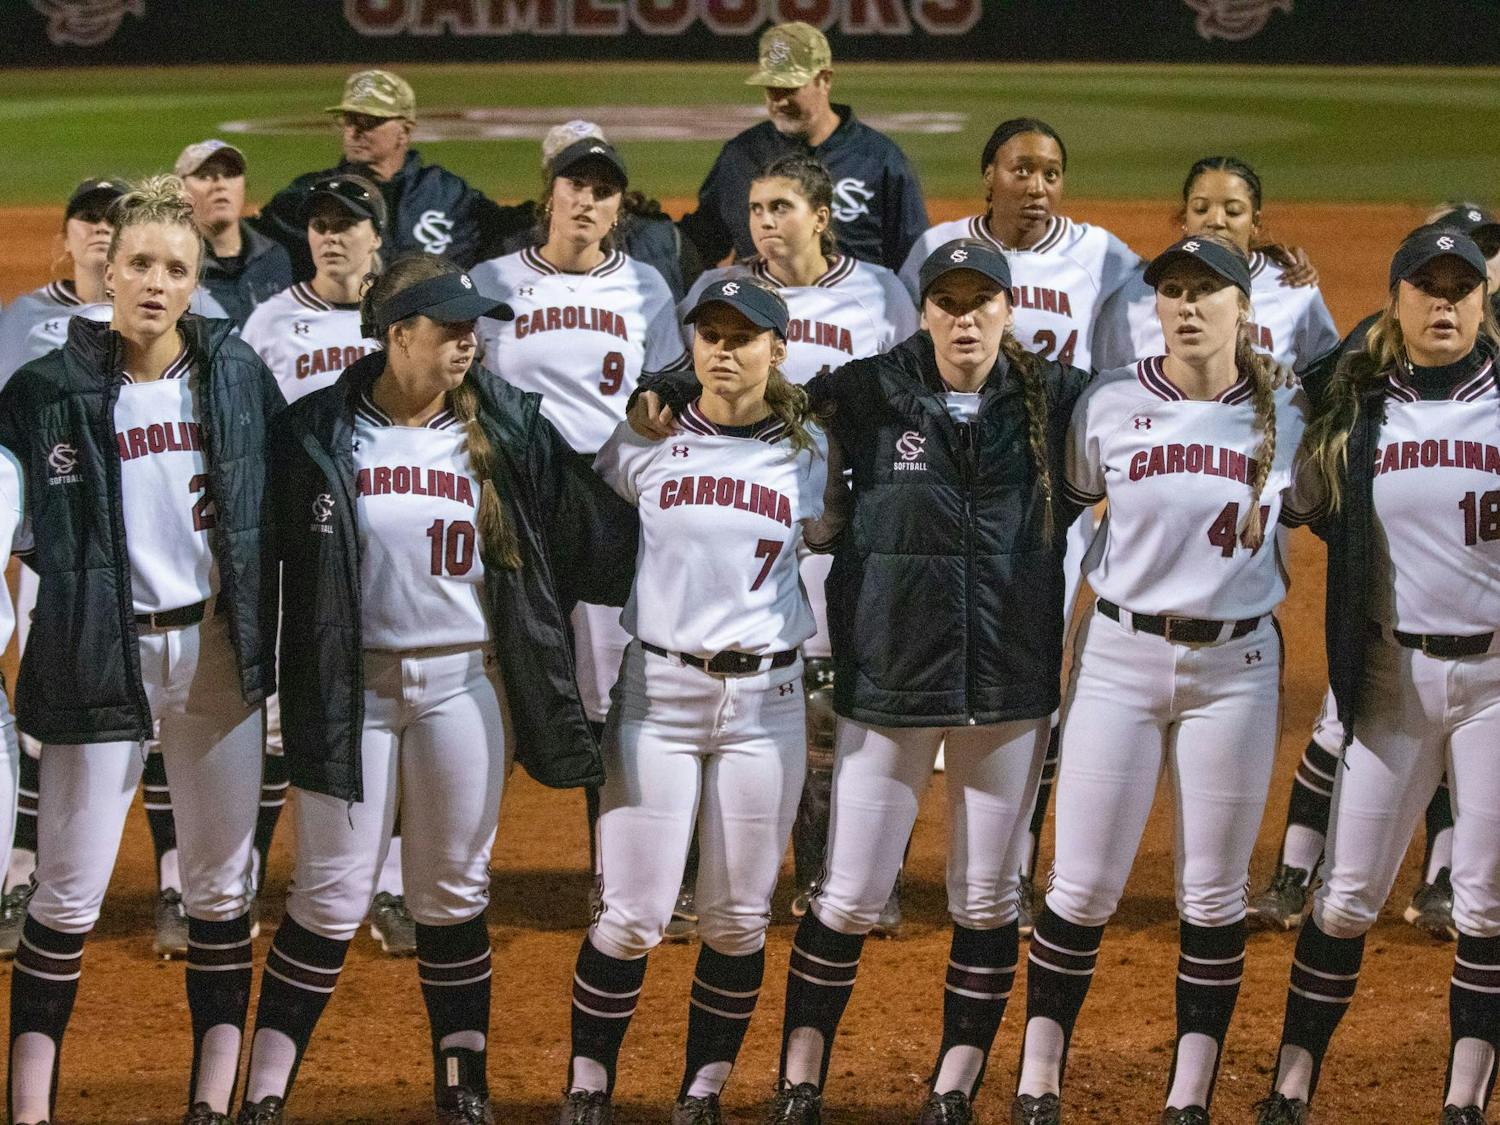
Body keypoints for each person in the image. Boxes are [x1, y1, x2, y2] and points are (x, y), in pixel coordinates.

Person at [635, 238, 1087, 1125]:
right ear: (923, 310)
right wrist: (667, 383)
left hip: (1010, 685)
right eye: (948, 302)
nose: (965, 319)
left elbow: (1174, 385)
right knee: (847, 892)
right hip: (892, 681)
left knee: (989, 898)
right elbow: (751, 383)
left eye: (981, 303)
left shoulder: (1054, 396)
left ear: (1009, 310)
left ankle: (954, 1083)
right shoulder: (869, 389)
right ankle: (801, 1077)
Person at [234, 253, 636, 1125]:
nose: (468, 340)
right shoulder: (312, 431)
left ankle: (463, 1088)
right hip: (351, 689)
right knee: (332, 895)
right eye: (449, 326)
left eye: (473, 326)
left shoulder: (510, 427)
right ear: (396, 333)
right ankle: (262, 1094)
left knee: (452, 892)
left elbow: (597, 530)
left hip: (463, 685)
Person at [1010, 235, 1316, 1125]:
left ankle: (1189, 1098)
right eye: (1171, 291)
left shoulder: (1288, 407)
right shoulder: (1108, 402)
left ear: (1243, 309)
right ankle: (1038, 1081)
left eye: (1206, 292)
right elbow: (1068, 510)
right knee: (1081, 884)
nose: (1185, 306)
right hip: (1118, 658)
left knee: (1215, 891)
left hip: (1238, 668)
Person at [0, 175, 282, 1125]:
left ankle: (211, 1104)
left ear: (197, 279)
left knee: (217, 885)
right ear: (106, 271)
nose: (156, 283)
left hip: (212, 654)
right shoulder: (43, 391)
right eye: (140, 265)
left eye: (176, 267)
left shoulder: (237, 373)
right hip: (97, 653)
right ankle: (30, 1108)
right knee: (68, 891)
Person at [558, 277, 830, 1125]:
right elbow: (585, 528)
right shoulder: (644, 439)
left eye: (743, 335)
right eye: (709, 332)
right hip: (658, 697)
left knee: (737, 918)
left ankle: (700, 1095)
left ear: (776, 349)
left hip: (769, 703)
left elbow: (837, 538)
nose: (723, 348)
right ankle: (587, 1087)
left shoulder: (811, 451)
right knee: (634, 915)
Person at [1254, 227, 1500, 1125]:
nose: (1444, 303)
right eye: (1425, 287)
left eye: (1461, 289)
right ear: (1393, 302)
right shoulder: (1355, 406)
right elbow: (1301, 484)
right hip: (1391, 681)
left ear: (1485, 301)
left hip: (1498, 688)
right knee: (1349, 893)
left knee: (1485, 904)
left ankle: (1464, 1102)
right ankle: (1290, 1086)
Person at [678, 153, 916, 936]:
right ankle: (705, 876)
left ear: (822, 215)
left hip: (856, 523)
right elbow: (682, 383)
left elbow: (907, 388)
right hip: (751, 522)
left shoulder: (880, 291)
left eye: (781, 206)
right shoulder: (726, 291)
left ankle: (828, 876)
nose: (764, 222)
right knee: (751, 693)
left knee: (841, 702)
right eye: (755, 208)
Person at [471, 135, 689, 922]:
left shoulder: (647, 287)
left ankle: (613, 875)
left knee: (605, 698)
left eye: (604, 189)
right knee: (484, 685)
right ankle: (447, 875)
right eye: (576, 184)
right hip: (513, 509)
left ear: (617, 205)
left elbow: (667, 388)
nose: (588, 200)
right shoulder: (492, 282)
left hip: (606, 508)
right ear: (550, 193)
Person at [677, 22, 928, 274]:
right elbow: (702, 241)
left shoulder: (878, 158)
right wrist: (651, 233)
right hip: (761, 306)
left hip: (854, 307)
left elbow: (914, 257)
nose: (780, 101)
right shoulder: (742, 155)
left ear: (824, 80)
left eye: (790, 88)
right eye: (771, 90)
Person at [252, 69, 532, 280]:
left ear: (405, 131)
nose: (354, 131)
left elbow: (512, 230)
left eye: (369, 121)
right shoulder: (313, 195)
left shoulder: (446, 193)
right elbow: (245, 241)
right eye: (349, 120)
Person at [498, 120, 699, 302]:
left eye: (602, 185)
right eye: (576, 181)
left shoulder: (664, 240)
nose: (587, 200)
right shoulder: (512, 245)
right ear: (552, 185)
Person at [242, 173, 384, 402]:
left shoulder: (401, 316)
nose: (330, 237)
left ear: (376, 237)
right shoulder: (270, 320)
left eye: (345, 225)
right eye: (319, 225)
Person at [177, 139, 294, 326]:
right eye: (205, 176)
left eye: (230, 174)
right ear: (180, 191)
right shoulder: (174, 266)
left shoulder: (274, 257)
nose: (220, 185)